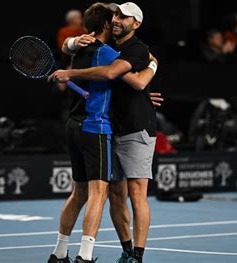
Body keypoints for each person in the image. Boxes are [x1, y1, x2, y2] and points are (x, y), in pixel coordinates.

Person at [47, 3, 157, 263]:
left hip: (80, 126)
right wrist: (72, 41)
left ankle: (60, 253)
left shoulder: (85, 49)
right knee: (100, 193)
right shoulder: (106, 51)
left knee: (82, 193)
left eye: (123, 16)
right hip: (96, 129)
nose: (117, 20)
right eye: (115, 16)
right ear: (107, 24)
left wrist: (71, 56)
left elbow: (130, 79)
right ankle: (84, 256)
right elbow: (118, 73)